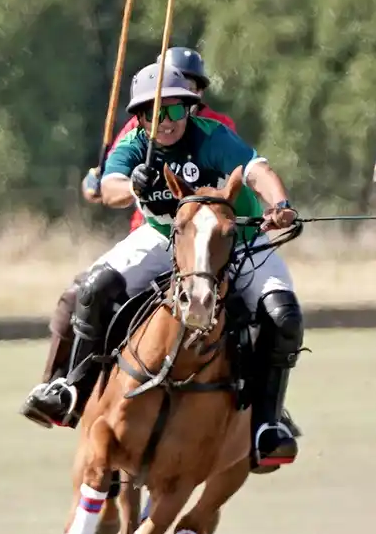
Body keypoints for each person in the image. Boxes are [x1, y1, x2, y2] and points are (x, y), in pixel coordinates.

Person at [21, 63, 304, 473]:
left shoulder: (212, 137)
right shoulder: (135, 145)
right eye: (154, 114)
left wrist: (279, 205)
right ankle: (71, 390)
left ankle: (267, 426)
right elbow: (108, 189)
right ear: (139, 117)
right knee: (94, 288)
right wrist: (133, 185)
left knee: (283, 314)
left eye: (174, 110)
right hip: (165, 235)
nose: (166, 122)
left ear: (189, 109)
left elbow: (256, 170)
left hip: (237, 239)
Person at [83, 47, 233, 234]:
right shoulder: (139, 124)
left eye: (188, 87)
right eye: (170, 85)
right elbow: (113, 172)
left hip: (203, 225)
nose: (177, 93)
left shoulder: (218, 125)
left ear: (200, 91)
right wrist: (102, 180)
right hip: (150, 224)